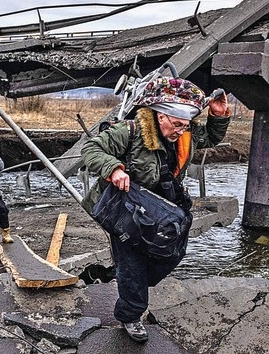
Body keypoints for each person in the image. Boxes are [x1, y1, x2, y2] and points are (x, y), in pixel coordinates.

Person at [81, 76, 230, 343]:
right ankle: (130, 315)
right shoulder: (131, 131)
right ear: (160, 116)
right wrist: (113, 168)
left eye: (186, 126)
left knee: (171, 255)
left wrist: (218, 117)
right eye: (176, 125)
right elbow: (91, 148)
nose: (181, 131)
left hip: (164, 209)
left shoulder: (185, 132)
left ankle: (117, 277)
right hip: (128, 209)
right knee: (132, 263)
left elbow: (209, 137)